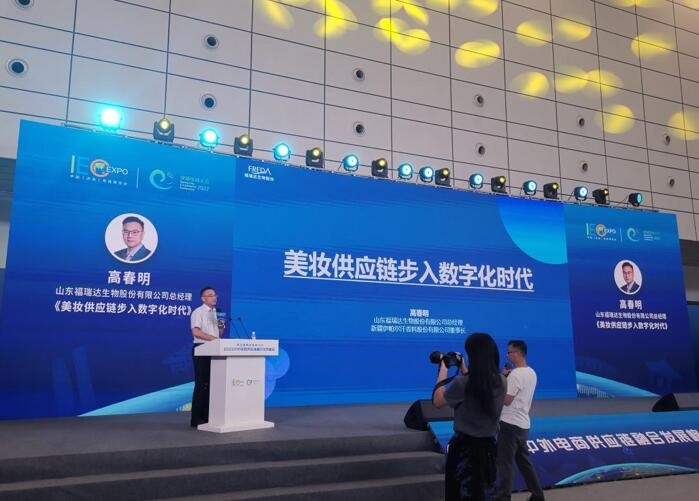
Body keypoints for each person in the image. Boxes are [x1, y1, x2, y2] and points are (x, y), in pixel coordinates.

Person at [433, 333, 507, 501]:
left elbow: (438, 401)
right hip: (488, 450)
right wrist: (464, 369)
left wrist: (443, 368)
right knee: (484, 494)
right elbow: (480, 383)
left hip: (463, 452)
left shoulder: (462, 384)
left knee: (459, 494)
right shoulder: (502, 381)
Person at [494, 340, 545, 501]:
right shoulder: (531, 372)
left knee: (505, 464)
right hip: (523, 424)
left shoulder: (515, 375)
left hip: (509, 424)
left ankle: (503, 498)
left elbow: (507, 400)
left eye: (509, 352)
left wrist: (500, 384)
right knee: (524, 463)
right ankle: (538, 495)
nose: (507, 355)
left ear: (517, 353)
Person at [190, 286, 224, 427]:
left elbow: (219, 334)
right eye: (210, 295)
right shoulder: (198, 312)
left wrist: (221, 326)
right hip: (202, 349)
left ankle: (208, 416)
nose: (214, 297)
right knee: (202, 384)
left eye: (215, 295)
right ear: (203, 298)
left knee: (212, 384)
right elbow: (196, 332)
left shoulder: (217, 313)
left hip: (214, 350)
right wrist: (215, 339)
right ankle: (197, 419)